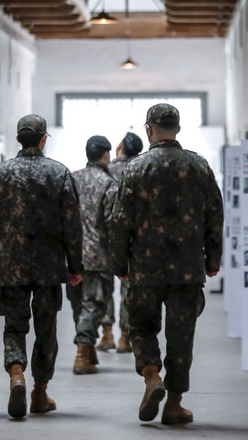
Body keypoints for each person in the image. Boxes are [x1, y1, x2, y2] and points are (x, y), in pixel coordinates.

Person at [110, 103, 223, 425]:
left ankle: (151, 376)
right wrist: (213, 260)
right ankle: (174, 404)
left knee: (142, 327)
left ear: (149, 130)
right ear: (178, 129)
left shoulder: (135, 168)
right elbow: (215, 217)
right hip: (188, 268)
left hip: (145, 268)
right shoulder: (198, 167)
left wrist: (119, 263)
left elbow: (120, 220)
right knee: (181, 335)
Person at [0, 114, 83, 418]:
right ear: (43, 138)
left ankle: (16, 374)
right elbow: (72, 225)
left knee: (14, 325)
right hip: (49, 267)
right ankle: (40, 392)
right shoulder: (59, 173)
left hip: (12, 265)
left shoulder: (0, 174)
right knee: (46, 328)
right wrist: (75, 266)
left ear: (17, 139)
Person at [67, 135, 118, 375]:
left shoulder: (71, 179)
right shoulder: (109, 184)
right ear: (106, 155)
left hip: (72, 255)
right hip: (99, 256)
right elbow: (111, 224)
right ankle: (82, 353)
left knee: (78, 304)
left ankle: (88, 352)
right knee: (94, 305)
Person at [99, 132, 143, 354]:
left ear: (119, 147)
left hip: (105, 239)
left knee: (106, 286)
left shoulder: (106, 171)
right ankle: (126, 337)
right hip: (133, 239)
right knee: (128, 286)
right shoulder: (140, 171)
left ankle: (107, 334)